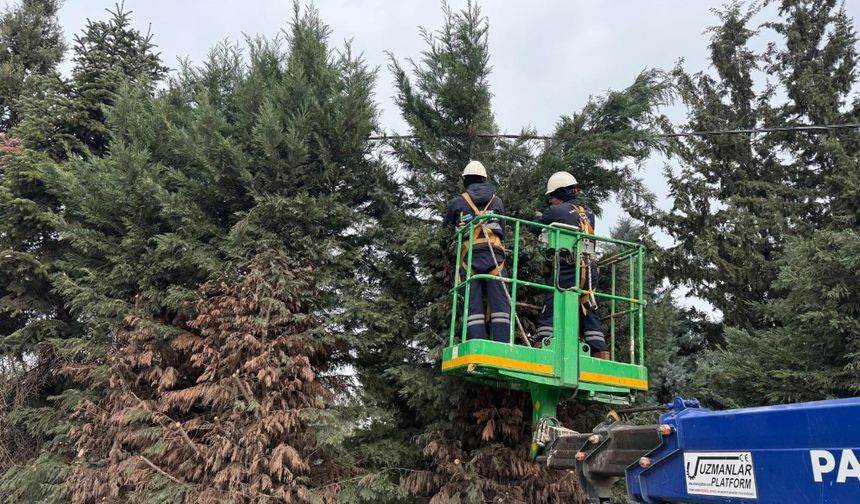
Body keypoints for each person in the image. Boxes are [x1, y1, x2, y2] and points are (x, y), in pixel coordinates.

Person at [532, 171, 610, 359]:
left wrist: (536, 218)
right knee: (588, 304)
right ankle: (600, 350)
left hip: (567, 266)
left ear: (559, 193)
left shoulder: (555, 211)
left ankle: (543, 341)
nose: (550, 201)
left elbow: (534, 228)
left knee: (553, 300)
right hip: (589, 268)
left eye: (552, 196)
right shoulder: (588, 213)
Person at [443, 160, 511, 342]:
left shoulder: (457, 202)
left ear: (465, 180)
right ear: (484, 179)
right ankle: (502, 344)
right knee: (501, 304)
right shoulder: (497, 201)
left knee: (473, 306)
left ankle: (476, 341)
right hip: (495, 256)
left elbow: (445, 230)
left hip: (469, 257)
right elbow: (503, 231)